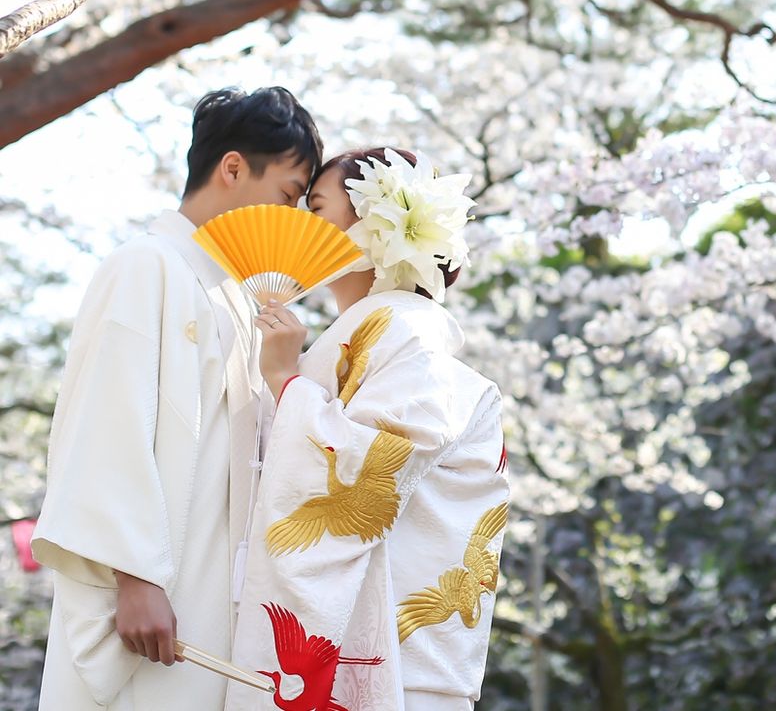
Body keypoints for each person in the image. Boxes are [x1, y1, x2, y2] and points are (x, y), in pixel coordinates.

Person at [33, 87, 323, 711]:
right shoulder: (146, 263)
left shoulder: (238, 295)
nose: (293, 216)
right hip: (152, 584)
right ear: (234, 167)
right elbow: (106, 420)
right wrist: (134, 578)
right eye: (288, 194)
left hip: (216, 581)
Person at [228, 146, 508, 711]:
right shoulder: (376, 334)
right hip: (391, 652)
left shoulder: (409, 332)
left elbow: (380, 463)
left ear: (375, 228)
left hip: (396, 659)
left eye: (317, 207)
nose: (302, 226)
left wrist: (284, 380)